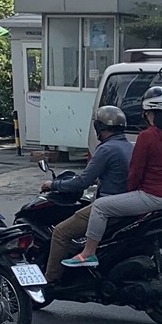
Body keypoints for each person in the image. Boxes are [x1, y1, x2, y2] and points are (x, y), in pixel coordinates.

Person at [63, 87, 162, 267]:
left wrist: (130, 192)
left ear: (148, 112)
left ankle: (88, 253)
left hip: (154, 196)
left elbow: (136, 171)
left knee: (100, 206)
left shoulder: (147, 136)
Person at [43, 105, 134, 285]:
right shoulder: (128, 147)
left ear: (100, 127)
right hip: (126, 204)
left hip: (108, 206)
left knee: (60, 232)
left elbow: (81, 182)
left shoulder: (106, 149)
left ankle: (50, 281)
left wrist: (52, 185)